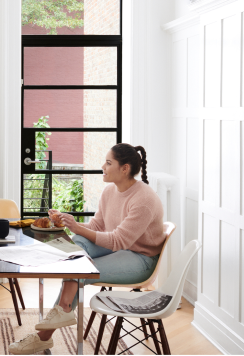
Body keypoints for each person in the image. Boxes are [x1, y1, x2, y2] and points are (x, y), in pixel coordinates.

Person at [9, 143, 165, 355]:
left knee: (81, 270)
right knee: (78, 244)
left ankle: (47, 333)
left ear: (124, 168)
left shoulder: (144, 199)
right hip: (117, 250)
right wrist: (73, 223)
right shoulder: (110, 191)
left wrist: (76, 228)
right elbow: (97, 228)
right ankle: (63, 310)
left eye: (108, 163)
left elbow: (118, 240)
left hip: (141, 259)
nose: (103, 166)